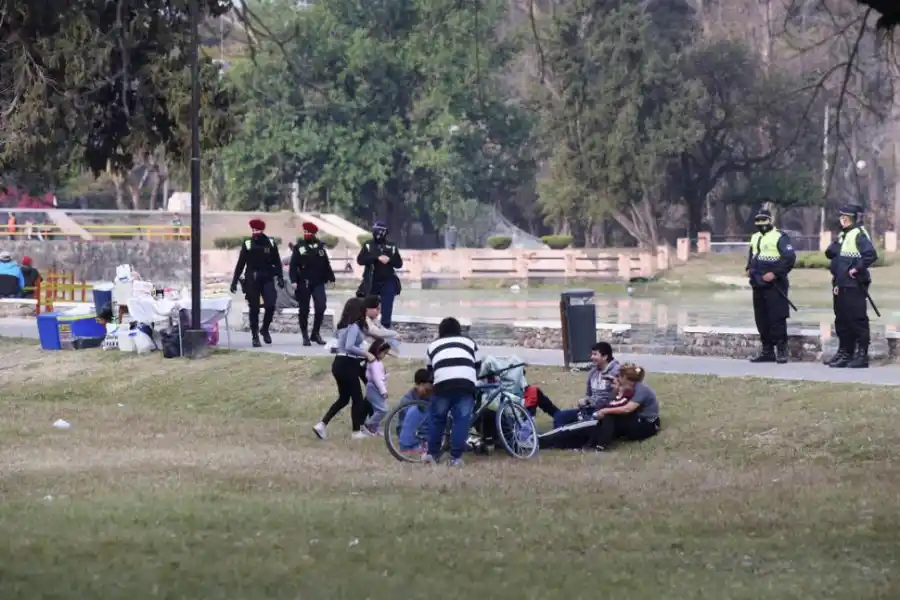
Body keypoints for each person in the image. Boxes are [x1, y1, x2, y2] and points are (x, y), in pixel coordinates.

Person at [313, 298, 375, 440]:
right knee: (358, 399)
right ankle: (356, 432)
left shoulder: (342, 326)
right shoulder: (353, 327)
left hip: (338, 364)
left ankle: (322, 425)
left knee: (344, 399)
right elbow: (349, 346)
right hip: (348, 364)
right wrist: (366, 354)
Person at [825, 204, 878, 368]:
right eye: (841, 217)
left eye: (846, 217)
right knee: (842, 320)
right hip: (841, 283)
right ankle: (845, 352)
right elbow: (830, 253)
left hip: (854, 284)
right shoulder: (844, 235)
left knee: (857, 319)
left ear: (854, 218)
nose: (843, 220)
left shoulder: (859, 234)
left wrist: (856, 269)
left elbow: (870, 255)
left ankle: (861, 355)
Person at [423, 317, 480, 467]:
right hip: (466, 385)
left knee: (437, 419)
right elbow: (478, 365)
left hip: (442, 385)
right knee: (461, 420)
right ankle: (456, 458)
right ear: (459, 330)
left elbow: (430, 370)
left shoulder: (433, 345)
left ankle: (432, 454)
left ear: (440, 331)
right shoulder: (469, 342)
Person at [746, 206, 797, 363]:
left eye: (764, 220)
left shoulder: (780, 237)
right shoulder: (754, 237)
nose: (761, 223)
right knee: (761, 319)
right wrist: (749, 268)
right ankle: (767, 351)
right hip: (758, 284)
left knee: (777, 318)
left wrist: (775, 273)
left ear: (770, 220)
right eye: (758, 220)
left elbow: (789, 258)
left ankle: (781, 351)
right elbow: (752, 255)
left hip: (775, 285)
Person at [230, 219, 284, 347]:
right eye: (253, 230)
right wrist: (234, 281)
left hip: (267, 278)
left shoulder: (270, 243)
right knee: (254, 308)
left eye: (257, 230)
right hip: (252, 279)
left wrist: (280, 277)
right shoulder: (248, 243)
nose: (255, 233)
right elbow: (240, 264)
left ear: (262, 230)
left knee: (270, 305)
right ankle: (255, 336)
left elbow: (277, 261)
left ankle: (264, 329)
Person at [586, 363, 661, 451]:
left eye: (619, 376)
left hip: (648, 425)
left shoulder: (641, 390)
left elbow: (627, 409)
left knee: (610, 416)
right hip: (636, 419)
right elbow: (615, 402)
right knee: (608, 417)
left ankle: (600, 446)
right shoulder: (630, 387)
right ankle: (591, 443)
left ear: (625, 377)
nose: (617, 378)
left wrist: (605, 411)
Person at [549, 342, 620, 428]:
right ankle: (558, 438)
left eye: (595, 354)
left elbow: (615, 398)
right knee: (559, 416)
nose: (591, 357)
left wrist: (590, 402)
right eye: (592, 354)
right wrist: (585, 400)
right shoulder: (593, 372)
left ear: (605, 357)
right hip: (589, 409)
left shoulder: (617, 372)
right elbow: (589, 394)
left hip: (604, 412)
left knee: (579, 428)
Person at [290, 222, 336, 346]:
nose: (306, 234)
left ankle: (315, 333)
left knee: (321, 306)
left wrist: (332, 278)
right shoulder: (299, 247)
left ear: (314, 233)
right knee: (304, 309)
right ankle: (305, 335)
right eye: (305, 232)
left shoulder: (320, 247)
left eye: (308, 233)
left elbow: (326, 264)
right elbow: (293, 266)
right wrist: (293, 280)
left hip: (318, 282)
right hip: (303, 282)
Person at [356, 221, 403, 328]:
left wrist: (390, 260)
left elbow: (399, 264)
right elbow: (360, 260)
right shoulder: (368, 245)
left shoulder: (391, 246)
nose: (378, 233)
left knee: (387, 308)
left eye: (380, 230)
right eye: (376, 230)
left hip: (388, 281)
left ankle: (385, 331)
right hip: (371, 281)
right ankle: (367, 329)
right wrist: (376, 258)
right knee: (368, 307)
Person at [396, 368, 434, 456]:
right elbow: (409, 424)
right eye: (429, 385)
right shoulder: (407, 400)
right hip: (412, 434)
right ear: (421, 384)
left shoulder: (427, 395)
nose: (431, 387)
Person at [363, 339, 392, 435]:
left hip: (376, 388)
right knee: (383, 410)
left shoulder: (378, 362)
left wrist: (385, 376)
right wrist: (383, 391)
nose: (385, 355)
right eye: (384, 353)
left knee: (377, 410)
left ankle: (374, 429)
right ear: (378, 351)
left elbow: (380, 376)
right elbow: (376, 378)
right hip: (373, 388)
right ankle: (368, 424)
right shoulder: (374, 363)